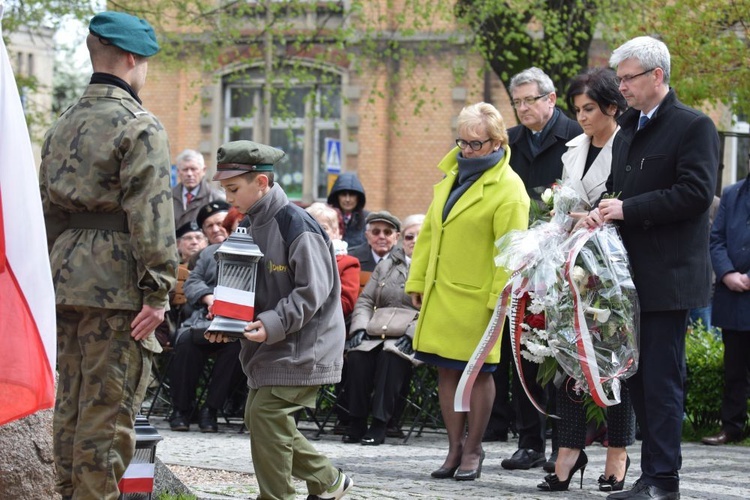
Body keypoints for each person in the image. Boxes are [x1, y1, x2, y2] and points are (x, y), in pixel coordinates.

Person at [39, 11, 177, 500]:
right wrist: (158, 292)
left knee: (71, 406)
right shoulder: (139, 125)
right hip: (118, 286)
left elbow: (48, 213)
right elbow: (152, 214)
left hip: (64, 276)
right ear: (134, 58)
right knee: (108, 410)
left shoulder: (62, 125)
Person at [580, 36, 719, 500]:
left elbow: (696, 194)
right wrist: (597, 212)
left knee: (661, 383)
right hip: (627, 283)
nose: (622, 89)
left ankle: (665, 481)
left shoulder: (693, 126)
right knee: (638, 382)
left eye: (628, 79)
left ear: (656, 76)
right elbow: (618, 191)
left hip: (669, 277)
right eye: (618, 80)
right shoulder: (630, 130)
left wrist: (627, 209)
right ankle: (649, 475)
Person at [209, 140, 352, 500]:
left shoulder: (296, 223)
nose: (228, 199)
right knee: (261, 416)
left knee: (266, 415)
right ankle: (328, 479)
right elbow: (244, 288)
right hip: (273, 344)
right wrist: (225, 323)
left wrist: (271, 323)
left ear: (261, 182)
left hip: (307, 344)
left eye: (233, 189)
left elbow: (312, 293)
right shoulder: (249, 223)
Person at [405, 102, 529, 481]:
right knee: (446, 370)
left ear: (496, 142)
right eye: (462, 142)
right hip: (442, 294)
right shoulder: (452, 175)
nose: (467, 150)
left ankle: (474, 448)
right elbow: (429, 234)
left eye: (475, 143)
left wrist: (498, 301)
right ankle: (454, 447)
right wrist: (417, 280)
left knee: (477, 373)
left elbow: (512, 252)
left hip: (479, 298)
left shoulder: (510, 189)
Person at [537, 67, 635, 493]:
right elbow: (563, 203)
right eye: (577, 109)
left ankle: (618, 449)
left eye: (590, 108)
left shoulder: (630, 143)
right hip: (572, 265)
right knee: (566, 355)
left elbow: (630, 200)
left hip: (615, 268)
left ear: (612, 106)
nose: (582, 117)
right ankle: (569, 449)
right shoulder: (573, 147)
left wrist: (596, 217)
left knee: (616, 362)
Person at [502, 66, 582, 472]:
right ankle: (529, 440)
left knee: (560, 352)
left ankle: (563, 443)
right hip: (522, 262)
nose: (522, 108)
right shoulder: (510, 143)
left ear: (550, 99)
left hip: (564, 258)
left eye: (529, 100)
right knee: (524, 348)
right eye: (517, 102)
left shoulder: (574, 138)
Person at [342, 214, 424, 446]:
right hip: (378, 328)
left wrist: (412, 334)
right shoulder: (387, 264)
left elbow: (435, 308)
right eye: (409, 236)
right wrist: (358, 327)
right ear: (402, 239)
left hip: (409, 331)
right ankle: (356, 421)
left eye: (421, 236)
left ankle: (380, 424)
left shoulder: (434, 266)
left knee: (392, 356)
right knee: (358, 354)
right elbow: (366, 300)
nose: (415, 241)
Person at [167, 237, 245, 433]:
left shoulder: (261, 255)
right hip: (202, 318)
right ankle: (181, 410)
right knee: (185, 342)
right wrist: (209, 299)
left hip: (238, 322)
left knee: (237, 348)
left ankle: (210, 410)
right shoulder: (212, 252)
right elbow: (193, 281)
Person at [701, 173, 750, 446]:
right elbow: (716, 238)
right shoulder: (732, 194)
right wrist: (728, 273)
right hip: (733, 294)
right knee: (733, 370)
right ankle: (732, 427)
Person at [172, 148, 225, 228]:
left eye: (193, 169)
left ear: (203, 170)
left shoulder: (216, 198)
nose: (189, 174)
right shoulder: (168, 198)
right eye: (185, 170)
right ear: (178, 172)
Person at [327, 172, 370, 249]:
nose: (347, 199)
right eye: (343, 194)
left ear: (358, 197)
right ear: (337, 197)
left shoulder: (368, 220)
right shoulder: (327, 219)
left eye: (352, 195)